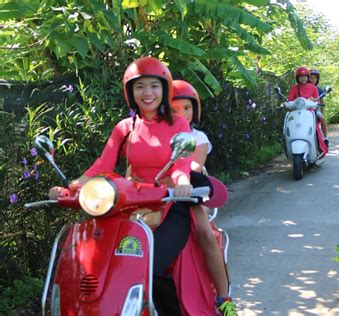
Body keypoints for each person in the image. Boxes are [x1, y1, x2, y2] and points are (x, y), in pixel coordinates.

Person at [48, 56, 199, 314]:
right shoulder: (125, 127)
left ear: (164, 89)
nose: (147, 93)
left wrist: (182, 182)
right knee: (101, 262)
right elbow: (103, 163)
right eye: (140, 86)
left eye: (154, 85)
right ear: (130, 91)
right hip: (131, 205)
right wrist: (74, 187)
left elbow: (181, 164)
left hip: (168, 203)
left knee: (152, 267)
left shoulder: (178, 124)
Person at [169, 80, 237, 316]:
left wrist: (181, 175)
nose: (182, 114)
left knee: (204, 233)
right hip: (160, 195)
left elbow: (196, 164)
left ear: (194, 109)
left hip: (190, 194)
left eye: (186, 108)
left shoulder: (198, 137)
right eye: (175, 109)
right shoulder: (158, 135)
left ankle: (223, 296)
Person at [288, 66, 329, 146]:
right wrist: (287, 103)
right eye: (300, 77)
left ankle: (325, 137)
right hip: (297, 111)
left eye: (305, 77)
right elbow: (290, 99)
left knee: (322, 117)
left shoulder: (314, 88)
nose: (303, 79)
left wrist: (314, 100)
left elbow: (318, 101)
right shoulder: (294, 88)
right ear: (297, 78)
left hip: (311, 110)